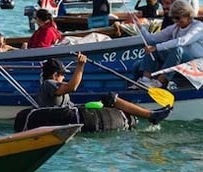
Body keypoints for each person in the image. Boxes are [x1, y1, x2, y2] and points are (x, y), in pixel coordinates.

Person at [38, 53, 171, 125]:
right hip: (64, 116)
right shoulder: (49, 84)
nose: (64, 77)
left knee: (110, 98)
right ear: (55, 75)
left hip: (72, 111)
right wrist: (80, 66)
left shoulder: (52, 84)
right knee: (109, 98)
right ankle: (150, 115)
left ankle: (151, 115)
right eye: (63, 75)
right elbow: (72, 87)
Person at [136, 0, 203, 89]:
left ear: (188, 15)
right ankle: (145, 80)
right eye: (173, 18)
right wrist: (140, 27)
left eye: (178, 18)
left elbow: (183, 41)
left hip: (197, 65)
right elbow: (151, 39)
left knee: (177, 49)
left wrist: (157, 48)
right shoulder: (175, 28)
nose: (176, 21)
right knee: (137, 64)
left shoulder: (198, 27)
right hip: (182, 63)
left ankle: (159, 83)